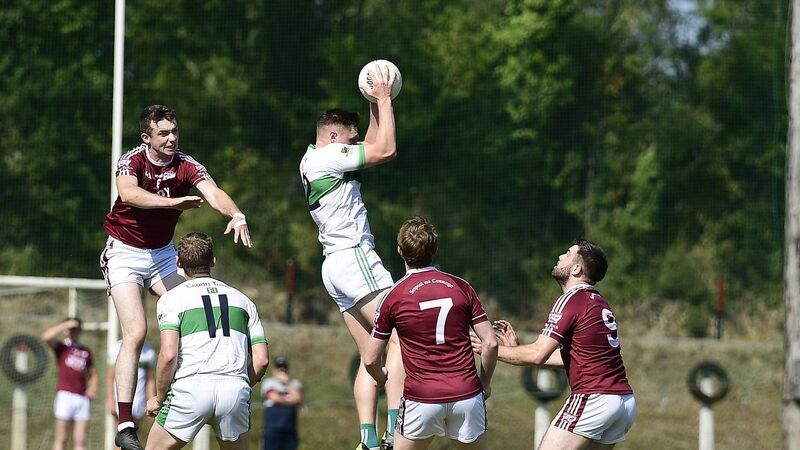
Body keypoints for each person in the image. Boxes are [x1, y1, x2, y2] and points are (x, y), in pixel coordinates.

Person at [100, 104, 252, 450]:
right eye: (164, 133)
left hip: (163, 254)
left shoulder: (186, 163)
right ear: (146, 137)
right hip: (124, 252)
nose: (172, 138)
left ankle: (196, 388)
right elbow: (128, 193)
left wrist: (237, 213)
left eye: (174, 131)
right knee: (136, 331)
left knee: (194, 308)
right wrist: (172, 204)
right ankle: (126, 424)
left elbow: (212, 193)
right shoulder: (132, 160)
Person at [299, 64, 404, 450]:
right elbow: (387, 150)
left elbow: (372, 146)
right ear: (332, 137)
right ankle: (396, 431)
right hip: (354, 256)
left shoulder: (314, 159)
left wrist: (374, 107)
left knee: (370, 354)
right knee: (402, 337)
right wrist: (384, 99)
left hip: (334, 266)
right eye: (348, 138)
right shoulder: (329, 158)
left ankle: (368, 440)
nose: (353, 142)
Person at [472, 239, 636, 450]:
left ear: (576, 268)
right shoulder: (598, 301)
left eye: (567, 254)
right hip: (623, 402)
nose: (560, 257)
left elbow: (538, 354)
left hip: (594, 398)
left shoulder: (571, 299)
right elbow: (571, 359)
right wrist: (513, 351)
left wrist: (491, 348)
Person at [363, 216, 498, 450]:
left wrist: (381, 378)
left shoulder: (393, 296)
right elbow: (491, 343)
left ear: (400, 251)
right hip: (466, 395)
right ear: (435, 250)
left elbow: (370, 358)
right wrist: (484, 382)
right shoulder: (461, 287)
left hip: (421, 399)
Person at [144, 231, 269, 450]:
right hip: (234, 389)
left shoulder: (171, 299)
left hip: (190, 388)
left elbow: (169, 354)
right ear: (212, 261)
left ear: (177, 263)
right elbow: (261, 360)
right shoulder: (243, 300)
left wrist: (159, 397)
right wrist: (238, 384)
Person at [41, 318, 99, 450]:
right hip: (65, 395)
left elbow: (93, 373)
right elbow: (45, 337)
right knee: (61, 438)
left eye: (76, 329)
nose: (74, 332)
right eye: (71, 329)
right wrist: (64, 325)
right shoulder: (62, 347)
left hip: (81, 397)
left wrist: (93, 387)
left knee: (81, 440)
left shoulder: (86, 351)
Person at [106, 339, 156, 442]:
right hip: (121, 400)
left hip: (139, 401)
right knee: (122, 435)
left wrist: (152, 401)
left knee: (134, 437)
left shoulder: (149, 351)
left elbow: (150, 379)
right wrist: (111, 400)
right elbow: (110, 377)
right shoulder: (116, 348)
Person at [260, 356, 304, 450]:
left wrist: (287, 383)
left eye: (284, 367)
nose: (282, 370)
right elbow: (274, 398)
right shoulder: (269, 383)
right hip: (272, 428)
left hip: (289, 428)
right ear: (274, 369)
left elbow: (298, 398)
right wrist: (290, 401)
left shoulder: (295, 383)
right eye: (279, 367)